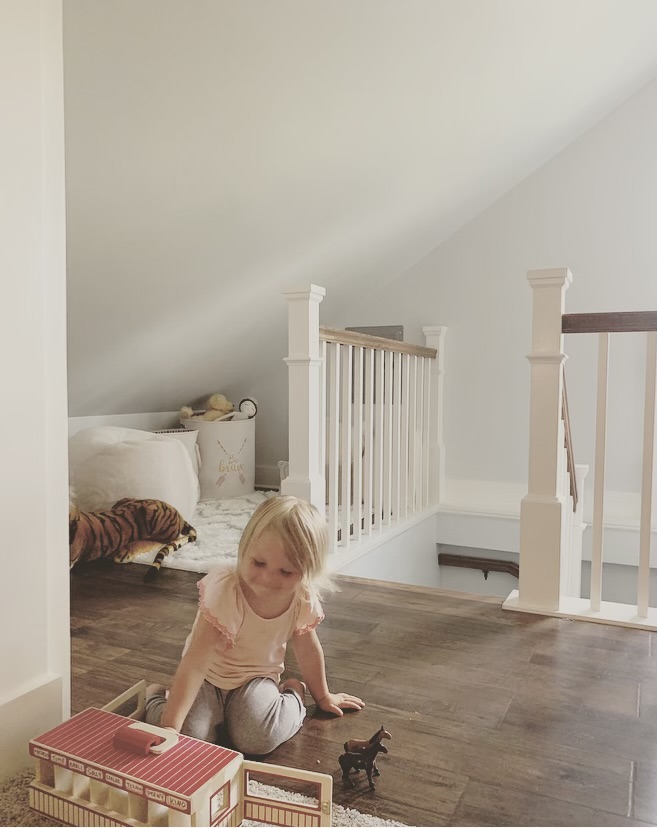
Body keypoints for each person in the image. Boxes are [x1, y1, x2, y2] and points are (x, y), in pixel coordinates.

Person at [145, 494, 364, 755]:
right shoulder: (226, 591)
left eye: (286, 572)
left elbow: (308, 650)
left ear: (308, 572)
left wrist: (324, 697)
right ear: (244, 548)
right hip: (207, 679)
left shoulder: (301, 598)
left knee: (257, 741)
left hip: (255, 680)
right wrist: (170, 728)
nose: (267, 578)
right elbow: (194, 663)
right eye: (258, 563)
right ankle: (156, 696)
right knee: (189, 739)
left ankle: (293, 693)